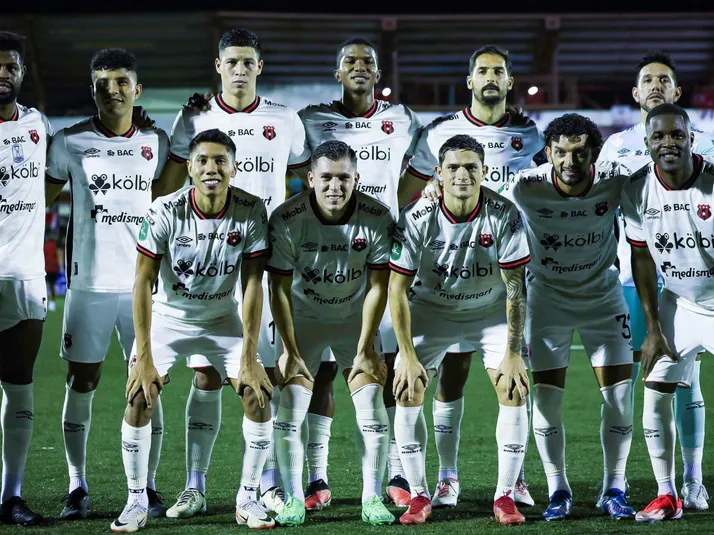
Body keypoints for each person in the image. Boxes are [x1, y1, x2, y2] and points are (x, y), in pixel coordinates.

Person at [157, 27, 310, 517]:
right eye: (232, 62)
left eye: (248, 62)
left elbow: (307, 182)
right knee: (205, 377)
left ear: (259, 67)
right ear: (218, 66)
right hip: (210, 269)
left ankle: (265, 485)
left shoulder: (285, 119)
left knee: (265, 377)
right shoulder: (195, 116)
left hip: (265, 266)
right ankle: (195, 486)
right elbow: (168, 185)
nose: (240, 70)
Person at [111, 129, 275, 532]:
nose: (211, 168)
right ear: (189, 167)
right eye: (202, 160)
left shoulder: (251, 210)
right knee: (139, 396)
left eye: (220, 160)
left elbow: (253, 285)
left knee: (257, 394)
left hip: (222, 319)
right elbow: (142, 282)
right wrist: (144, 356)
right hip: (169, 319)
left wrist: (249, 355)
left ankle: (248, 497)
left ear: (234, 168)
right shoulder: (165, 210)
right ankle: (136, 501)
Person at [402, 45, 543, 508]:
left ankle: (512, 484)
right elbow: (406, 193)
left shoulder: (528, 133)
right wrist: (431, 189)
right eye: (482, 70)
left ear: (510, 81)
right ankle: (440, 480)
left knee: (514, 380)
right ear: (470, 80)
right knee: (441, 379)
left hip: (498, 280)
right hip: (443, 287)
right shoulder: (439, 134)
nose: (490, 77)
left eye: (498, 71)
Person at [294, 36, 422, 509]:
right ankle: (317, 476)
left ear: (378, 73)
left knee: (382, 366)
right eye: (349, 60)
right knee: (324, 370)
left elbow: (418, 173)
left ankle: (396, 472)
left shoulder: (402, 119)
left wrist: (390, 212)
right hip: (324, 257)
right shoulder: (310, 120)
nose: (359, 66)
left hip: (381, 255)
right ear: (337, 72)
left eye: (367, 61)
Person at [44, 48, 170, 521]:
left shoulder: (156, 142)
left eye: (121, 82)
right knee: (82, 382)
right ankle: (76, 485)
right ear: (92, 90)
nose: (112, 90)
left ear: (137, 90)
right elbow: (37, 202)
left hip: (144, 286)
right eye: (102, 83)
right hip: (88, 286)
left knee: (148, 384)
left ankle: (149, 486)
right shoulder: (69, 142)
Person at [498, 114, 636, 520]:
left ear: (595, 152)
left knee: (620, 396)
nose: (569, 161)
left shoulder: (616, 180)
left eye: (579, 153)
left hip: (603, 298)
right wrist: (435, 187)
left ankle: (614, 486)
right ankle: (558, 489)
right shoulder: (526, 186)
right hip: (547, 302)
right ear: (548, 152)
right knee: (546, 400)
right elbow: (481, 201)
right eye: (560, 152)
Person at [390, 135, 530, 526]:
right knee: (407, 387)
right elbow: (396, 289)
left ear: (485, 172)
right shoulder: (418, 216)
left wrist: (513, 352)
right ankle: (419, 495)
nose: (462, 175)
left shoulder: (504, 213)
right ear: (439, 173)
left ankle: (505, 496)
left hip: (489, 312)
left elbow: (516, 288)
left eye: (471, 167)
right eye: (453, 167)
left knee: (513, 386)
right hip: (432, 310)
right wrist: (406, 354)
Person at [600, 51, 712, 510]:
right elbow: (632, 241)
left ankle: (693, 478)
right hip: (658, 290)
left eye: (664, 80)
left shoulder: (708, 154)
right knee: (647, 382)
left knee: (690, 385)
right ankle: (649, 488)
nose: (655, 86)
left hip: (703, 289)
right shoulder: (623, 160)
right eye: (647, 80)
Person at [267, 140, 395, 526]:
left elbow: (379, 287)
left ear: (357, 179)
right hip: (304, 320)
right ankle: (293, 498)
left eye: (343, 178)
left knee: (371, 406)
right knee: (289, 410)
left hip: (353, 320)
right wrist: (289, 349)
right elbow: (278, 289)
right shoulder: (286, 218)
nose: (335, 186)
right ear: (310, 178)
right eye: (326, 178)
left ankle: (372, 498)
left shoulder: (377, 216)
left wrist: (366, 347)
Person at [0, 31, 52, 526]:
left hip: (25, 277)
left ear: (21, 73)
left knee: (20, 387)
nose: (3, 74)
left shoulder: (38, 123)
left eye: (10, 67)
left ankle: (11, 496)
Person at [44, 233, 63, 312]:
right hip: (53, 268)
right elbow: (59, 255)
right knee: (52, 285)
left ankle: (46, 302)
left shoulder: (45, 245)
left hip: (45, 268)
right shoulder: (56, 245)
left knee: (45, 286)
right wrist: (61, 267)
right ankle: (52, 302)